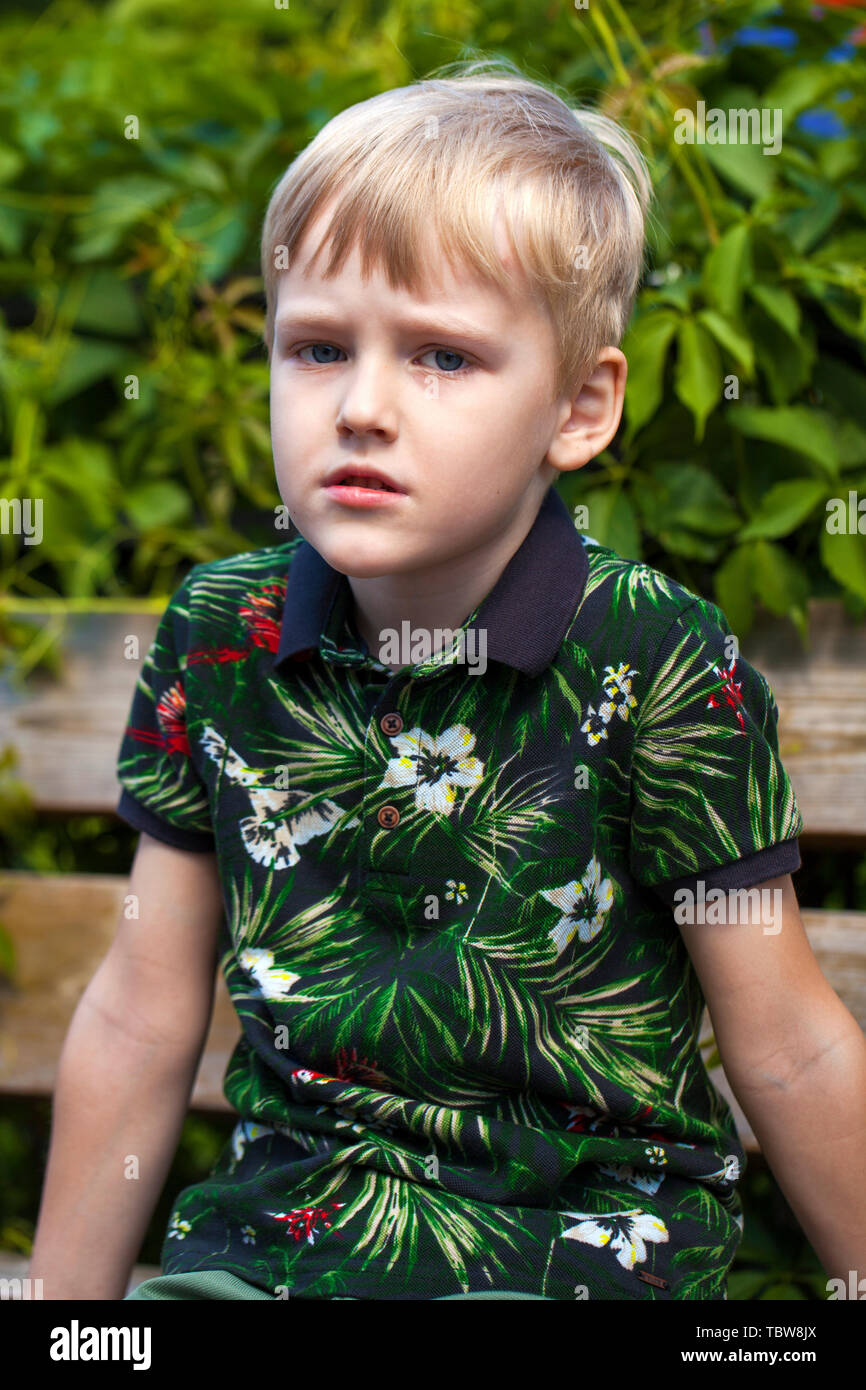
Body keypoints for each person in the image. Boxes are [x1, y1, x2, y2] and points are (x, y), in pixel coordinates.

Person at [29, 58, 866, 1302]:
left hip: (572, 1263)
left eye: (441, 358)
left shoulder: (651, 657)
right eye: (317, 347)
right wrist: (64, 1321)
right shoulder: (223, 634)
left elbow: (786, 1046)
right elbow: (142, 1014)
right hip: (274, 1260)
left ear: (578, 408)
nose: (360, 406)